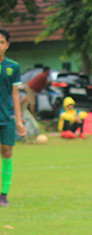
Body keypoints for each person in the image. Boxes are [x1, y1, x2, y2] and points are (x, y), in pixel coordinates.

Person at [0, 28, 26, 208]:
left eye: (1, 42)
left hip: (6, 115)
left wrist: (19, 120)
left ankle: (3, 194)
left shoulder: (13, 67)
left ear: (7, 45)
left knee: (7, 150)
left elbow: (15, 94)